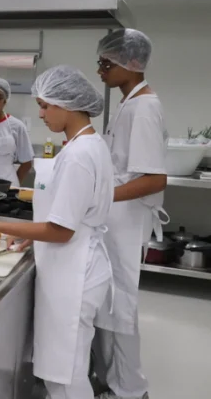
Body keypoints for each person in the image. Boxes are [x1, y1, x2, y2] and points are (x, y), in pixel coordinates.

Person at [0, 65, 113, 399]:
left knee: (65, 374)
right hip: (72, 260)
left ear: (66, 105)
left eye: (45, 105)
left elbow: (61, 230)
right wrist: (31, 234)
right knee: (63, 366)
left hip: (73, 268)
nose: (40, 113)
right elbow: (65, 216)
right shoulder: (84, 145)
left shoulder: (79, 155)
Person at [93, 30, 168, 399]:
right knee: (111, 305)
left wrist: (99, 197)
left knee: (121, 307)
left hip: (126, 221)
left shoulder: (145, 107)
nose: (100, 70)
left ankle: (129, 390)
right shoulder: (128, 103)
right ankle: (113, 381)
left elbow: (153, 179)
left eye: (107, 63)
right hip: (115, 221)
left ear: (130, 64)